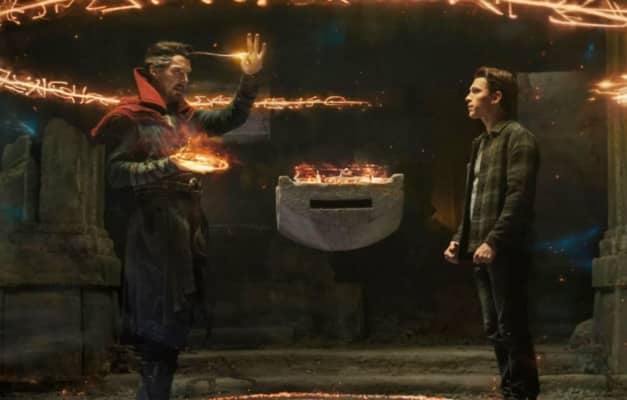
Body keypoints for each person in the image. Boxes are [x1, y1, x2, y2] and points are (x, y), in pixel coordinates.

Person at [92, 33, 266, 400]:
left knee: (176, 323)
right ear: (154, 72)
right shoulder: (133, 118)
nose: (184, 79)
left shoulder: (186, 117)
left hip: (187, 226)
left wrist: (249, 79)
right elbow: (116, 173)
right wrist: (170, 164)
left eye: (187, 73)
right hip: (152, 231)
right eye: (176, 72)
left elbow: (231, 116)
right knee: (156, 326)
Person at [443, 66, 540, 400]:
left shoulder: (518, 138)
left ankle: (521, 394)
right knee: (496, 327)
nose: (468, 97)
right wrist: (460, 238)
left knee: (511, 327)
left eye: (476, 91)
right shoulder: (481, 143)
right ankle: (512, 391)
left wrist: (494, 241)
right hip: (483, 250)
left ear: (496, 97)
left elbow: (518, 198)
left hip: (505, 250)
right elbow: (474, 198)